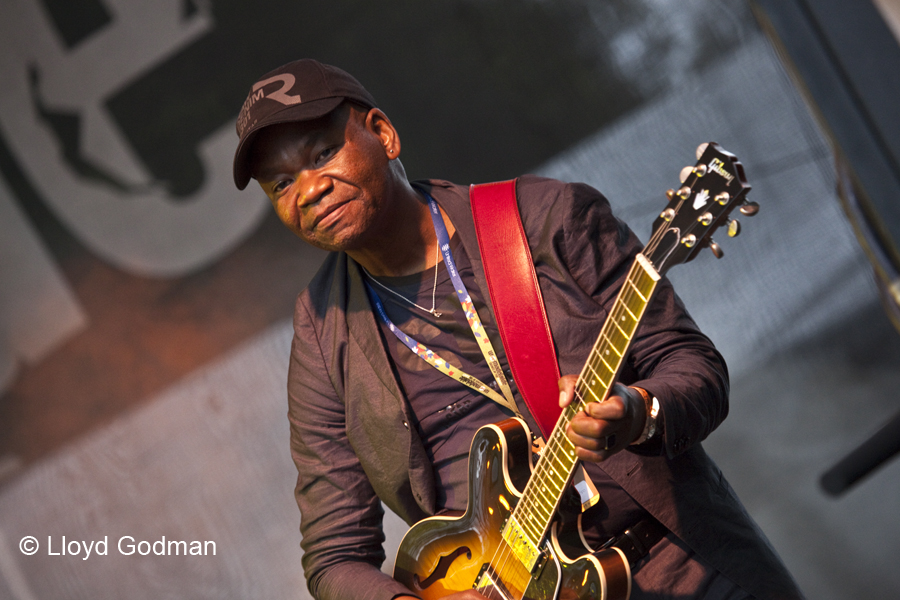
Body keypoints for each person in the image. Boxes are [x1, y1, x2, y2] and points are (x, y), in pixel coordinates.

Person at [232, 59, 804, 600]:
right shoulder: (321, 332)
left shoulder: (543, 217)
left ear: (383, 134)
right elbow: (333, 556)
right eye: (280, 184)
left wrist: (636, 410)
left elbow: (695, 368)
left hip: (687, 570)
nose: (308, 190)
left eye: (324, 153)